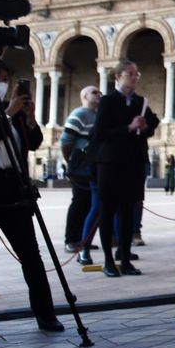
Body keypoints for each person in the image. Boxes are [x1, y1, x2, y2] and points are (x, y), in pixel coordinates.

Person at [0, 62, 62, 333]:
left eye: (5, 79)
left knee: (30, 253)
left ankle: (45, 313)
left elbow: (32, 142)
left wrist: (30, 117)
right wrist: (9, 113)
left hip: (13, 184)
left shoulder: (9, 112)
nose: (3, 85)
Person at [88, 61, 158, 278]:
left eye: (136, 74)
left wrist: (145, 127)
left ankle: (125, 259)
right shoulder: (108, 101)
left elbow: (151, 124)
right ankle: (109, 261)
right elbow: (100, 132)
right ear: (117, 77)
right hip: (111, 163)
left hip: (133, 162)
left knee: (128, 212)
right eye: (129, 74)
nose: (134, 78)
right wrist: (128, 127)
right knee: (108, 210)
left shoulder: (140, 102)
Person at [59, 86, 100, 261]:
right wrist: (71, 160)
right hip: (81, 164)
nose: (99, 95)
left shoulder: (97, 115)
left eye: (99, 92)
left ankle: (83, 239)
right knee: (79, 202)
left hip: (92, 165)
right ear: (84, 96)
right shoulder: (79, 114)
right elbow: (66, 140)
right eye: (94, 92)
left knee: (89, 204)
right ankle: (71, 239)